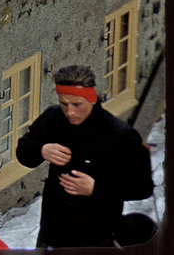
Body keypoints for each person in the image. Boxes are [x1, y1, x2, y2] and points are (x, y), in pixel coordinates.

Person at [15, 63, 154, 248]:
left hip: (97, 235)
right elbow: (23, 152)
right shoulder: (53, 118)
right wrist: (41, 150)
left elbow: (143, 187)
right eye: (63, 103)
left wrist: (97, 188)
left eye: (77, 104)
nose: (70, 112)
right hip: (52, 231)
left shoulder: (121, 135)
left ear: (92, 99)